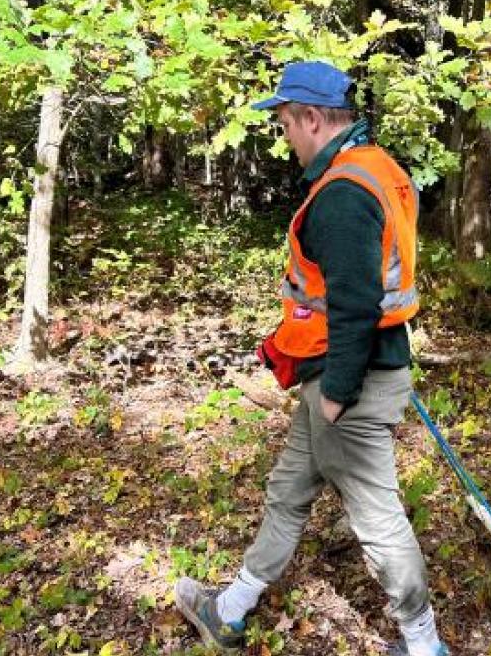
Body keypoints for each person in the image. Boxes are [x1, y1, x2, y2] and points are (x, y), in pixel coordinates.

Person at [174, 61, 449, 656]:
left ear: (314, 118)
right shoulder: (374, 169)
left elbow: (356, 304)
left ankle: (423, 644)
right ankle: (230, 610)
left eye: (287, 124)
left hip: (349, 382)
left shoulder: (344, 194)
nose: (286, 138)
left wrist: (337, 393)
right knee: (289, 487)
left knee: (376, 518)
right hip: (340, 372)